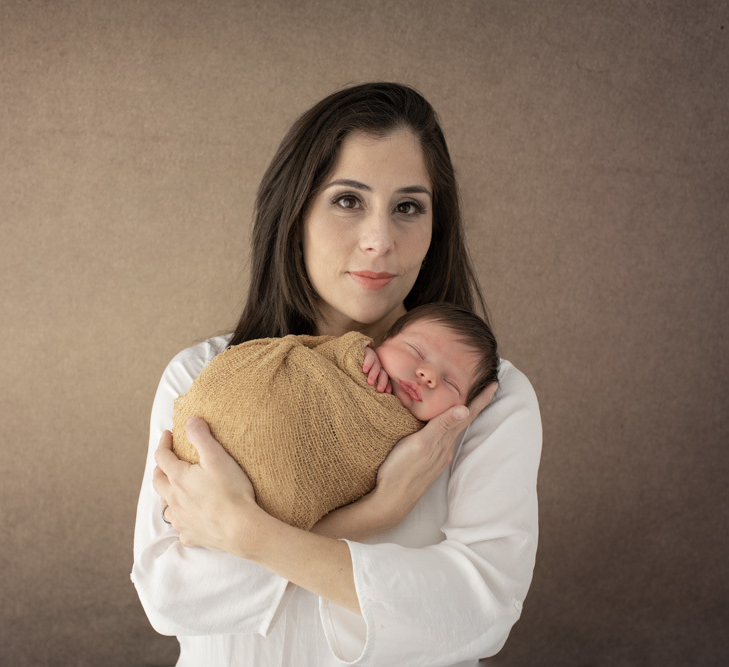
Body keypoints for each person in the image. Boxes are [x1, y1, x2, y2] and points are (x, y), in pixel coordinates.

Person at [132, 82, 541, 666]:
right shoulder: (202, 377)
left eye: (408, 207)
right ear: (293, 211)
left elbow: (479, 613)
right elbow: (170, 596)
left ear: (435, 227)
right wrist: (375, 513)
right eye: (348, 200)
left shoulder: (482, 401)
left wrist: (247, 535)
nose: (379, 242)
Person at [170, 301, 500, 531]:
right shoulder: (351, 354)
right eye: (416, 352)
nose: (428, 374)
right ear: (383, 341)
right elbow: (317, 356)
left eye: (451, 382)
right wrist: (353, 353)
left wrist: (382, 508)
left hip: (284, 493)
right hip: (230, 418)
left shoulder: (425, 448)